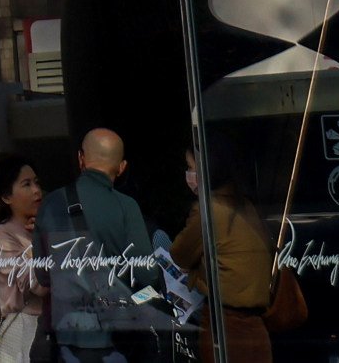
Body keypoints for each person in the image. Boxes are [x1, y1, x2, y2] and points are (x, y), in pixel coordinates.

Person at [40, 126, 168, 363]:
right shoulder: (126, 206)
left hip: (69, 339)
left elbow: (43, 276)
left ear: (81, 159)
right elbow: (146, 275)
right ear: (122, 167)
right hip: (115, 341)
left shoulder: (50, 204)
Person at [169, 149, 295, 363]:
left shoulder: (209, 209)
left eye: (192, 168)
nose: (189, 175)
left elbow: (180, 254)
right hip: (257, 327)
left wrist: (193, 269)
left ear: (208, 172)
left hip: (225, 325)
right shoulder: (247, 206)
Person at [0, 153, 50, 363]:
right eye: (27, 184)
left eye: (37, 183)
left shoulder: (44, 227)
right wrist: (41, 240)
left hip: (51, 324)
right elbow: (37, 284)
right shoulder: (2, 235)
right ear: (6, 197)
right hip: (24, 328)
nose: (37, 191)